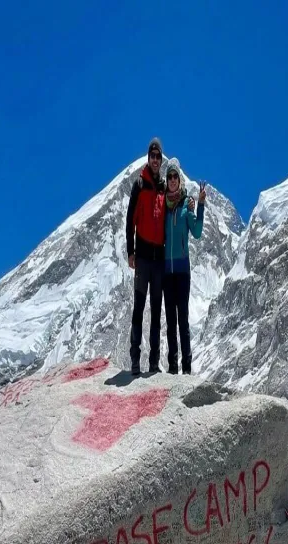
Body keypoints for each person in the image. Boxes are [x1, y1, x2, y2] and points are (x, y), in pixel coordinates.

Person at [126, 137, 166, 375]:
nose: (154, 160)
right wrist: (130, 251)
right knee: (139, 308)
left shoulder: (163, 186)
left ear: (161, 160)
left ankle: (153, 362)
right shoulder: (139, 184)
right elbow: (130, 218)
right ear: (147, 158)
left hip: (158, 258)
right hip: (141, 256)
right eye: (152, 156)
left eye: (158, 157)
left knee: (156, 310)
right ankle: (134, 359)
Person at [162, 158, 205, 374]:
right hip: (166, 272)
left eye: (174, 176)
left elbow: (196, 233)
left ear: (179, 180)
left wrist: (201, 206)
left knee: (183, 321)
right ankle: (172, 367)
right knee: (170, 322)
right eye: (169, 176)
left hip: (182, 271)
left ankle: (186, 369)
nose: (171, 180)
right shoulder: (163, 207)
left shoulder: (186, 205)